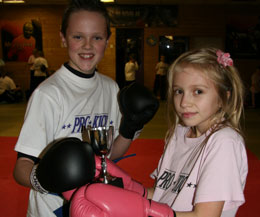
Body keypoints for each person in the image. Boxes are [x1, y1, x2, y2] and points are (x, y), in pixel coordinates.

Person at [12, 0, 159, 217]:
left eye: (97, 37)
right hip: (53, 208)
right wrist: (48, 179)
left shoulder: (110, 89)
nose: (87, 46)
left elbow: (109, 156)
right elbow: (20, 168)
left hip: (99, 205)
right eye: (78, 36)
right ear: (63, 38)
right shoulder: (49, 94)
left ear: (107, 40)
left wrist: (129, 127)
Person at [66, 48, 248, 217]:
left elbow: (206, 215)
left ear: (225, 96)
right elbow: (162, 192)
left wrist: (147, 212)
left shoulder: (224, 141)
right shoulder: (179, 133)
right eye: (179, 91)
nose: (184, 102)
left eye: (198, 91)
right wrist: (129, 187)